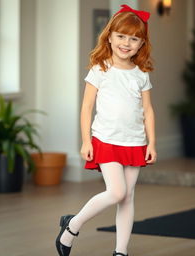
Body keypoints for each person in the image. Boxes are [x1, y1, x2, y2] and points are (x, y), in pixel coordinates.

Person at [56, 4, 157, 256]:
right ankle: (73, 224)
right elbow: (86, 107)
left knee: (128, 197)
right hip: (106, 140)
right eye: (121, 36)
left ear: (141, 43)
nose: (126, 43)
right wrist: (85, 141)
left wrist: (152, 143)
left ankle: (120, 251)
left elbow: (148, 111)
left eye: (134, 39)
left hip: (134, 142)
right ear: (109, 36)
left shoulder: (140, 74)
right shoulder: (100, 69)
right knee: (117, 191)